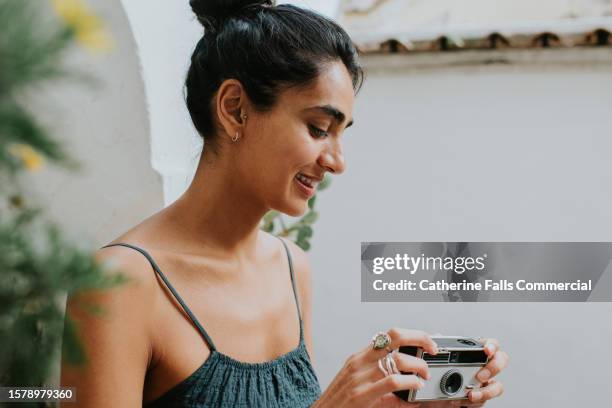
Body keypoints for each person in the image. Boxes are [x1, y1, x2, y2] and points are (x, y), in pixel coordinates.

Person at [60, 1, 508, 406]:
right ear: (235, 108)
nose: (337, 162)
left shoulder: (291, 267)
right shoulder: (118, 286)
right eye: (318, 128)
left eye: (341, 133)